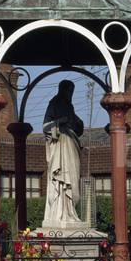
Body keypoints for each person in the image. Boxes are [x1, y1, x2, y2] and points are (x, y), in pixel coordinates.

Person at [42, 80, 85, 229]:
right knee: (62, 178)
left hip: (71, 143)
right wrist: (60, 122)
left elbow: (76, 124)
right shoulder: (54, 104)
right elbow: (45, 126)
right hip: (61, 145)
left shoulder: (70, 107)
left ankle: (70, 211)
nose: (70, 94)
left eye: (72, 91)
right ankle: (59, 212)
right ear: (62, 90)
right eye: (68, 91)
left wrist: (78, 123)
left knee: (73, 178)